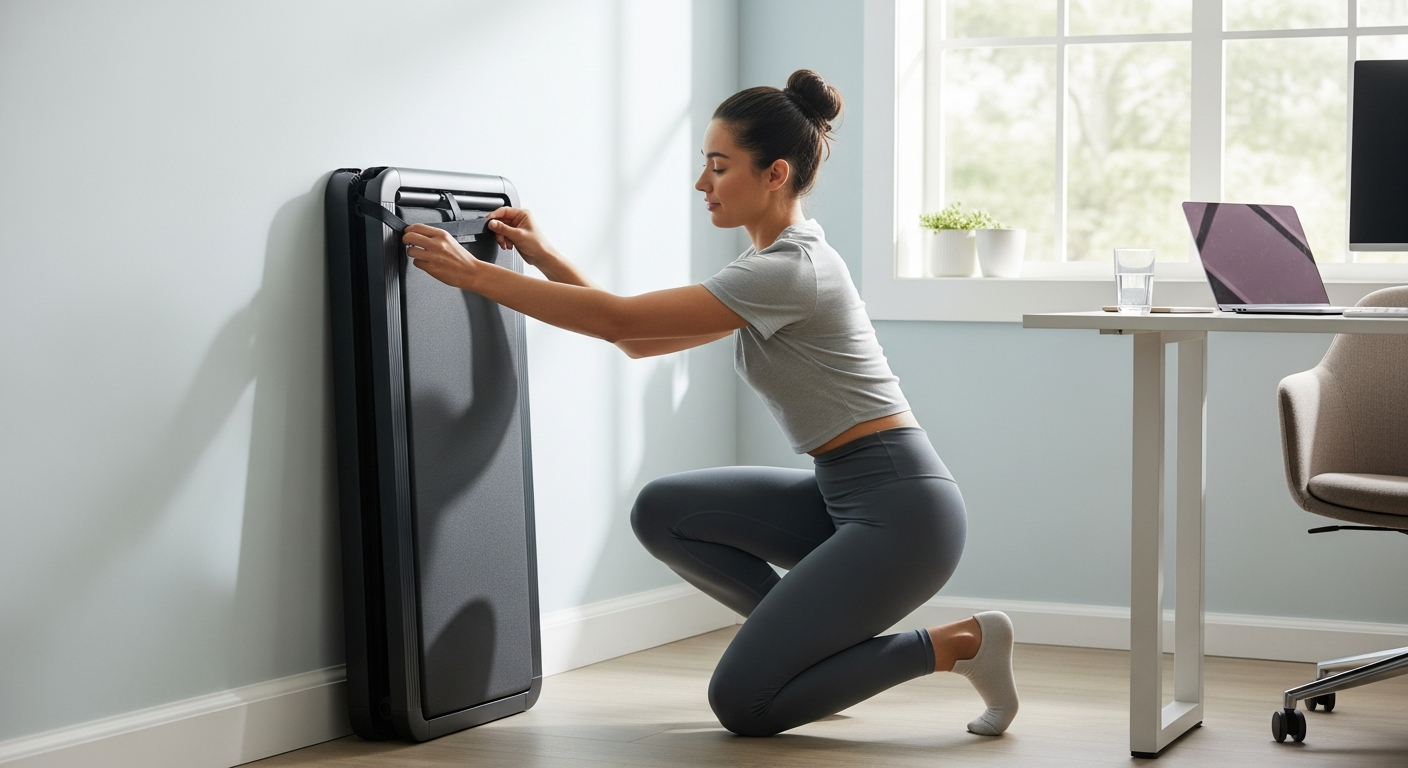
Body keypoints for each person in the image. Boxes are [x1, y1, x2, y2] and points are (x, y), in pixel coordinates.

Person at [400, 69, 1019, 738]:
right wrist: (543, 257)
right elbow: (640, 339)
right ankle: (808, 657)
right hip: (847, 496)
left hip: (904, 514)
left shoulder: (789, 270)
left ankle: (958, 644)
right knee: (664, 511)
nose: (703, 184)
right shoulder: (767, 270)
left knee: (744, 704)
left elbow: (621, 322)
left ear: (775, 173)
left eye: (719, 167)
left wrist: (475, 273)